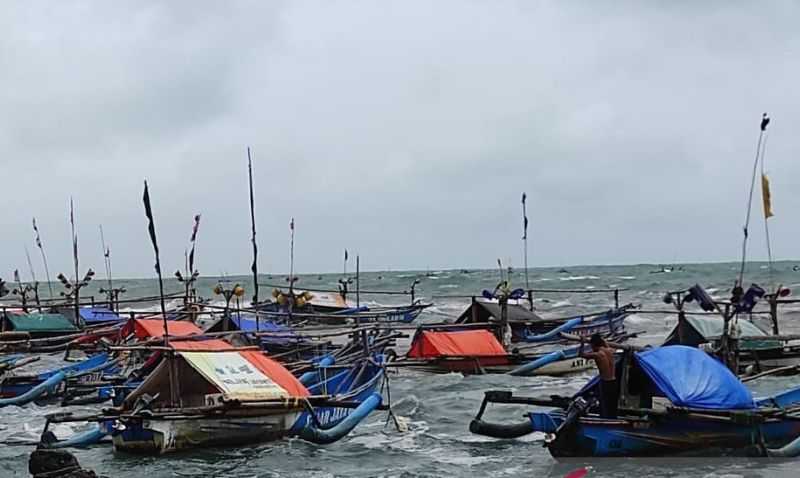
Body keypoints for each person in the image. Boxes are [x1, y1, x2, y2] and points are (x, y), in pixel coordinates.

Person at [580, 334, 618, 418]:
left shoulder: (597, 354)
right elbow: (605, 344)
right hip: (614, 381)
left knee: (604, 404)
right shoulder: (610, 350)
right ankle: (612, 418)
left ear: (593, 345)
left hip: (605, 382)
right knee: (612, 405)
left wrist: (582, 343)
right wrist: (602, 340)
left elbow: (581, 354)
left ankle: (604, 420)